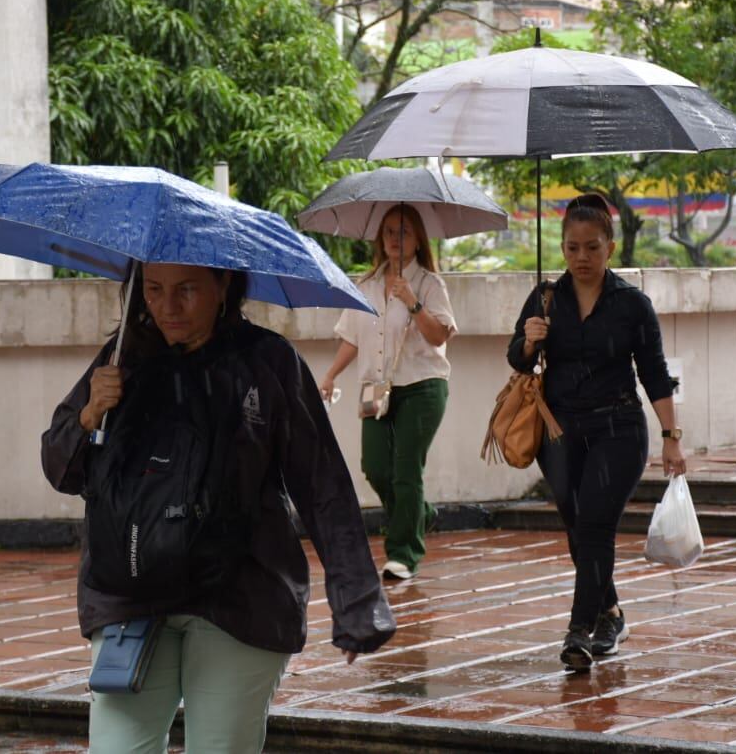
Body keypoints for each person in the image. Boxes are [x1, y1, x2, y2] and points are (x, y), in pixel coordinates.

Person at [41, 261, 395, 754]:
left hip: (240, 597)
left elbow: (322, 484)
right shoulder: (122, 359)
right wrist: (88, 414)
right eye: (154, 289)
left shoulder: (267, 363)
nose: (167, 306)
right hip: (132, 596)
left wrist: (357, 603)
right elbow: (62, 471)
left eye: (186, 289)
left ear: (224, 283)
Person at [507, 193, 685, 672]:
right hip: (559, 431)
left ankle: (578, 631)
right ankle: (611, 613)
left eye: (592, 247)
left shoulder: (632, 305)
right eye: (572, 248)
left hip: (618, 428)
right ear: (562, 247)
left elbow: (655, 374)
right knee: (577, 526)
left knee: (594, 526)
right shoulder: (546, 298)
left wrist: (672, 437)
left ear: (610, 247)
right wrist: (530, 340)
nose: (581, 257)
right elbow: (516, 359)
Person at [319, 205, 456, 581]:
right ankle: (420, 514)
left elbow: (439, 336)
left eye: (405, 232)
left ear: (418, 241)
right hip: (376, 390)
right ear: (380, 238)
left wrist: (412, 301)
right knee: (377, 467)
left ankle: (403, 554)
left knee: (406, 470)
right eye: (389, 232)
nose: (396, 239)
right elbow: (352, 338)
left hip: (423, 386)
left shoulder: (429, 284)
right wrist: (330, 375)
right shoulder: (365, 286)